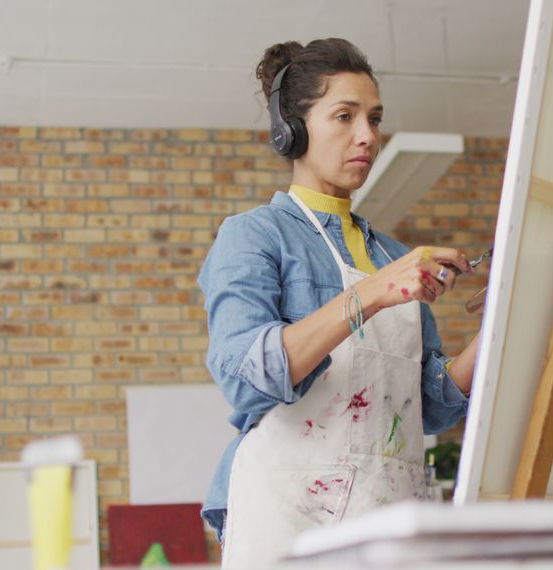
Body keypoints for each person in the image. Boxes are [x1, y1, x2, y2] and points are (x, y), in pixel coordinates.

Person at [197, 37, 481, 567]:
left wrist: (497, 329)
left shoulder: (394, 254)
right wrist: (371, 292)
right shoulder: (254, 236)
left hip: (390, 516)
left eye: (374, 118)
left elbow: (431, 405)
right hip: (291, 519)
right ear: (293, 129)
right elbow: (245, 374)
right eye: (344, 116)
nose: (367, 136)